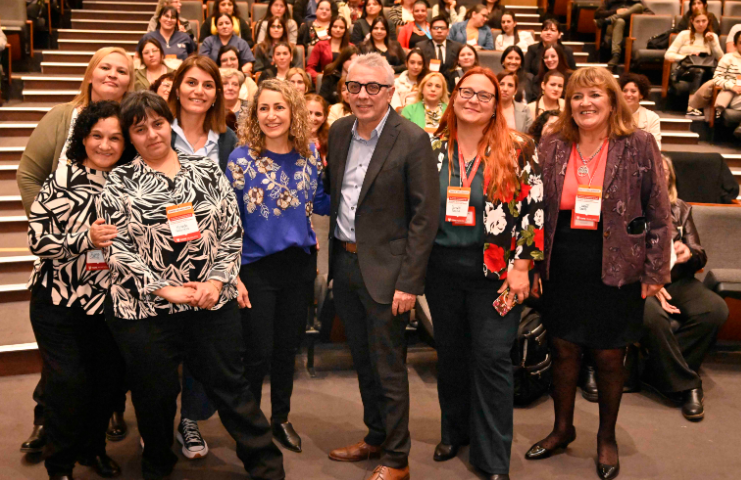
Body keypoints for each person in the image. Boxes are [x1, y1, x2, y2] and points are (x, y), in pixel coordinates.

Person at [99, 90, 285, 480]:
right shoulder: (118, 180)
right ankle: (158, 465)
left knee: (233, 389)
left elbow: (232, 232)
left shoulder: (205, 170)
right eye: (139, 129)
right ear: (130, 137)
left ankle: (267, 468)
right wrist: (162, 287)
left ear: (171, 124)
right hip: (147, 311)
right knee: (155, 398)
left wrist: (217, 283)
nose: (151, 134)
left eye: (158, 123)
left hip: (208, 304)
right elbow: (116, 247)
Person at [527, 67, 671, 480]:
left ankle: (605, 437)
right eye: (576, 96)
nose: (585, 103)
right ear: (566, 104)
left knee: (609, 354)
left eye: (594, 95)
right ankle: (562, 428)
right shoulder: (552, 143)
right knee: (563, 348)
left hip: (618, 263)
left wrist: (655, 270)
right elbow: (536, 209)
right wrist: (535, 262)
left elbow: (659, 212)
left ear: (612, 100)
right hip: (563, 259)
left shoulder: (639, 144)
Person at [323, 52, 440, 480]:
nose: (363, 95)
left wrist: (409, 282)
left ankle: (397, 458)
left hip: (389, 276)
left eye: (373, 87)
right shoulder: (338, 132)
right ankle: (375, 436)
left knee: (389, 367)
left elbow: (425, 216)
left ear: (391, 91)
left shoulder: (411, 139)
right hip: (346, 264)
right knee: (362, 360)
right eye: (354, 86)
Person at [427, 65, 542, 480]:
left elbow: (535, 210)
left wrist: (523, 265)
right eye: (466, 92)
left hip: (498, 278)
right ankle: (454, 431)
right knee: (451, 356)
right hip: (441, 272)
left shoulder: (519, 147)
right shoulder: (433, 147)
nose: (473, 100)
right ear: (453, 97)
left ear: (497, 105)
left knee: (492, 359)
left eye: (484, 95)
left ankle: (493, 458)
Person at [224, 79, 330, 454]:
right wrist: (231, 274)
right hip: (255, 268)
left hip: (298, 266)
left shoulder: (310, 154)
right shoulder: (240, 159)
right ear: (254, 114)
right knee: (257, 353)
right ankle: (250, 427)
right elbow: (226, 220)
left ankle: (280, 417)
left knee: (288, 349)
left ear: (293, 112)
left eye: (279, 107)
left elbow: (320, 203)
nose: (271, 115)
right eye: (263, 108)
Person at [27, 101, 128, 480]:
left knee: (106, 384)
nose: (105, 145)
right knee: (68, 385)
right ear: (83, 137)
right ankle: (60, 464)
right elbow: (37, 240)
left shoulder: (130, 182)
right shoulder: (61, 180)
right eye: (97, 136)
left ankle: (93, 450)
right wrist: (83, 238)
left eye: (115, 138)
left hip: (109, 304)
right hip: (58, 302)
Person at [641, 155, 728, 421]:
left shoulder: (680, 209)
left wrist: (688, 253)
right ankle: (690, 385)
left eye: (664, 171)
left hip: (678, 280)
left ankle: (652, 373)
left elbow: (701, 254)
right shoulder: (629, 206)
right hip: (641, 284)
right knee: (652, 317)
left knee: (715, 309)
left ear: (670, 178)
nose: (659, 174)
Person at [18, 46, 134, 215]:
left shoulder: (135, 125)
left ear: (129, 84)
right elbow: (29, 176)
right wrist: (49, 222)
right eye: (105, 68)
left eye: (121, 71)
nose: (113, 74)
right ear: (89, 76)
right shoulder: (60, 116)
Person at [665, 10, 723, 116]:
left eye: (703, 21)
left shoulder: (712, 36)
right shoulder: (684, 35)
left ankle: (715, 111)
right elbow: (668, 55)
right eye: (697, 21)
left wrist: (713, 42)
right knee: (698, 71)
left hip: (706, 70)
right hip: (684, 70)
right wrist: (687, 56)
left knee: (713, 73)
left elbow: (720, 57)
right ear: (692, 21)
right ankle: (692, 106)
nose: (701, 24)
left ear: (708, 21)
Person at [594, 0, 648, 70]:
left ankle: (610, 19)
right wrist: (615, 12)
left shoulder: (637, 1)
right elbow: (597, 13)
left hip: (631, 29)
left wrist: (630, 12)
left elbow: (650, 13)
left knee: (638, 7)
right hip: (612, 27)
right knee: (620, 21)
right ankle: (615, 55)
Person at [619, 72, 661, 149]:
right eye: (625, 91)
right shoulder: (612, 114)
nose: (628, 94)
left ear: (641, 95)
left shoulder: (652, 117)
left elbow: (656, 147)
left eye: (633, 91)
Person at [306, 17, 352, 83]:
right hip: (326, 82)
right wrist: (319, 78)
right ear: (330, 28)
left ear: (345, 30)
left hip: (345, 83)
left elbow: (356, 69)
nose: (338, 30)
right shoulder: (320, 45)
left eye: (341, 28)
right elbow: (310, 68)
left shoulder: (351, 47)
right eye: (335, 27)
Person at [306, 93, 330, 160]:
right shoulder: (289, 140)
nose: (312, 118)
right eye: (308, 113)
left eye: (318, 114)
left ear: (324, 118)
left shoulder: (331, 140)